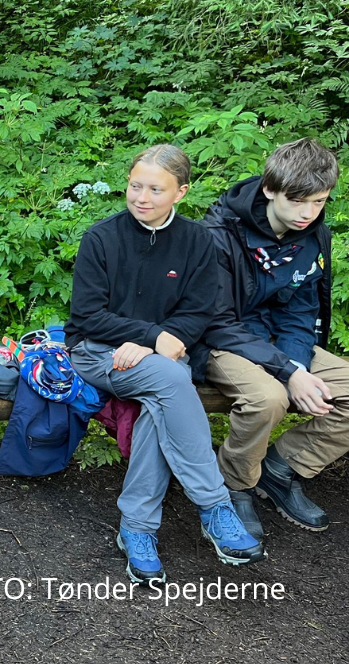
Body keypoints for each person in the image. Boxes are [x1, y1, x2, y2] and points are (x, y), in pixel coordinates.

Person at [65, 144, 264, 583]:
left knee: (162, 399)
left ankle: (136, 528)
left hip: (166, 358)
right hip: (98, 351)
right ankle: (214, 506)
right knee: (172, 381)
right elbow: (87, 315)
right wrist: (151, 337)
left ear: (181, 192)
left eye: (156, 189)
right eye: (136, 186)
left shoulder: (198, 241)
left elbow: (198, 311)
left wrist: (159, 345)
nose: (142, 197)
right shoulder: (101, 237)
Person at [195, 138, 346, 538]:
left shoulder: (313, 236)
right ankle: (234, 484)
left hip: (278, 342)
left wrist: (294, 364)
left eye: (319, 202)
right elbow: (216, 321)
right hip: (222, 341)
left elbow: (301, 310)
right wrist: (286, 374)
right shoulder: (218, 235)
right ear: (269, 189)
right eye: (298, 201)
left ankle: (281, 469)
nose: (308, 213)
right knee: (268, 397)